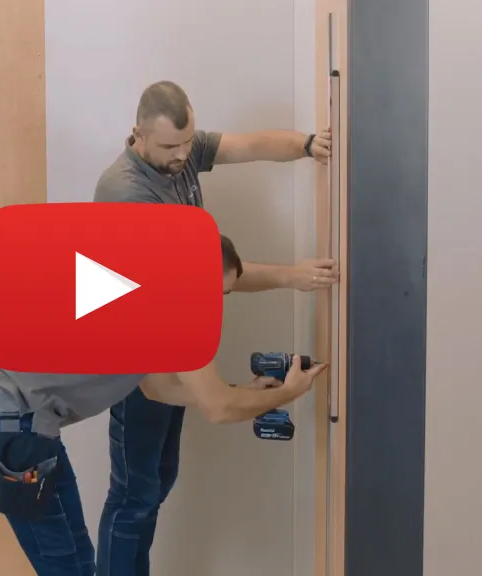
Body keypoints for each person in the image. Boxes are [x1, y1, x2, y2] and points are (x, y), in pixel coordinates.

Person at [0, 234, 328, 576]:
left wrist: (244, 392)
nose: (213, 305)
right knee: (73, 567)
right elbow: (219, 409)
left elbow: (156, 388)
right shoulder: (172, 310)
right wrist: (289, 392)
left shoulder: (124, 282)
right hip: (10, 421)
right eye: (214, 292)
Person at [93, 80, 340, 576]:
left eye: (188, 142)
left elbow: (248, 145)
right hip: (135, 359)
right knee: (135, 495)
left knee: (157, 482)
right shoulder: (127, 194)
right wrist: (291, 277)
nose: (183, 155)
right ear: (138, 134)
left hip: (171, 340)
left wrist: (307, 144)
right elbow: (199, 281)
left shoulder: (182, 151)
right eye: (170, 147)